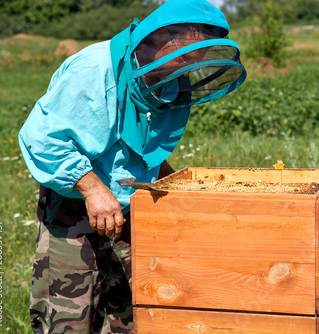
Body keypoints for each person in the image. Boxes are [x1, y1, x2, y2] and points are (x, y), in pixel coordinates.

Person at [18, 0, 246, 332]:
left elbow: (139, 140)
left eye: (191, 63)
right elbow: (43, 138)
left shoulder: (165, 75)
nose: (180, 71)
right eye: (182, 58)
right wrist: (92, 189)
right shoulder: (94, 71)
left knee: (129, 311)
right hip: (76, 203)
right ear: (159, 37)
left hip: (130, 203)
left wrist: (172, 179)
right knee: (69, 312)